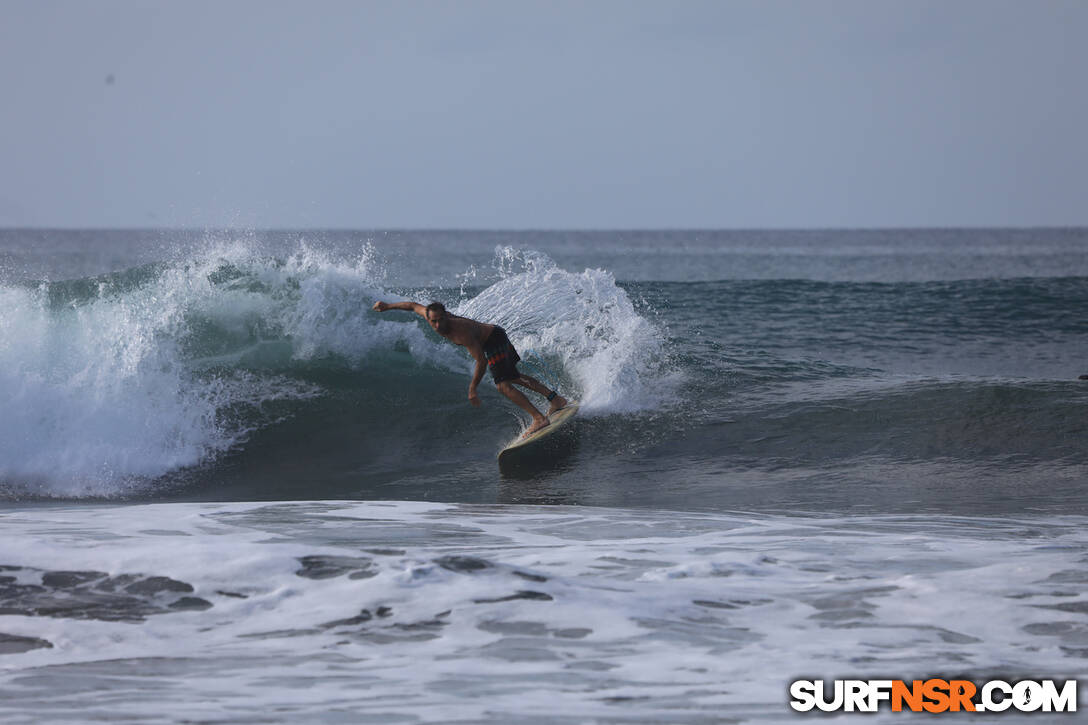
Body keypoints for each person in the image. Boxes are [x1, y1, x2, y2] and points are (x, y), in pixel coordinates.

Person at [372, 300, 568, 437]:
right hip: (494, 335)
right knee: (513, 377)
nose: (438, 324)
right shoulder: (429, 314)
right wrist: (388, 306)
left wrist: (472, 388)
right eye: (434, 321)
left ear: (446, 316)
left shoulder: (461, 332)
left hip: (493, 340)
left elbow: (481, 362)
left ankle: (539, 419)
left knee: (503, 385)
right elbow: (413, 306)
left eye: (441, 319)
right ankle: (556, 399)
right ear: (429, 318)